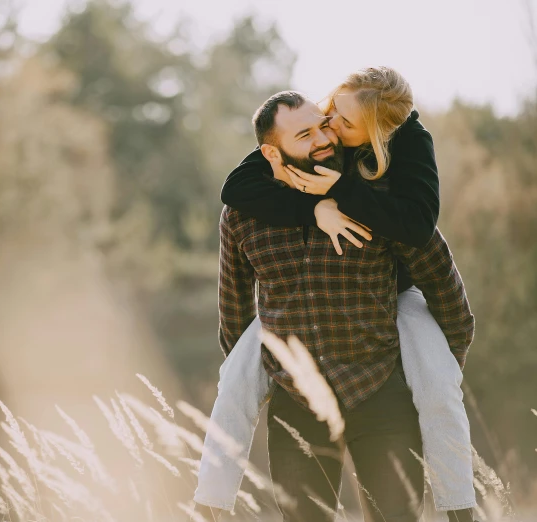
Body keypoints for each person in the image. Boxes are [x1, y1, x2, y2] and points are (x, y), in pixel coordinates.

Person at [197, 88, 475, 521]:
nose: (323, 139)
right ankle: (210, 503)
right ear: (272, 153)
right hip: (297, 401)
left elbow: (438, 273)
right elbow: (234, 310)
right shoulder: (242, 214)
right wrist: (266, 375)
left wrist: (447, 357)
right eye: (304, 135)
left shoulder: (373, 194)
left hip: (380, 391)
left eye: (322, 125)